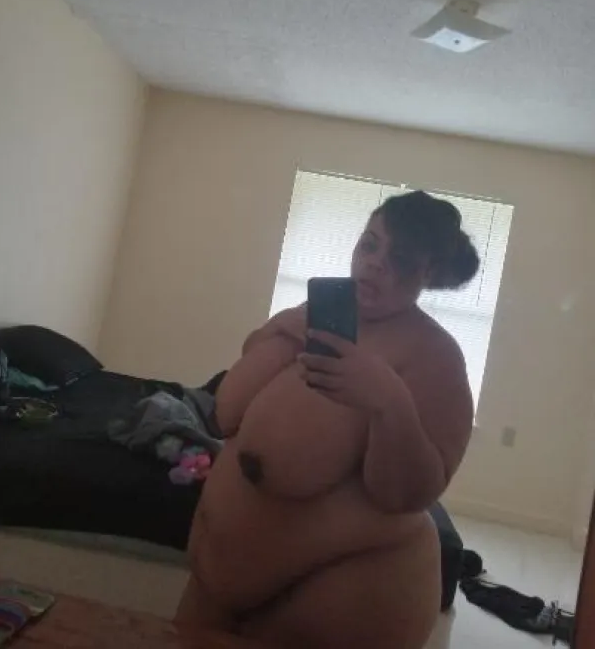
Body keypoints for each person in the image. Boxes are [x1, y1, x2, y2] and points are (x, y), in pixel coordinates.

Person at [176, 190, 478, 649]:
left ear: (429, 271)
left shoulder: (436, 356)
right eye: (369, 244)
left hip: (329, 592)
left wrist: (389, 402)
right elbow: (228, 410)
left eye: (399, 257)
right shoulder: (314, 317)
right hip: (216, 591)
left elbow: (411, 492)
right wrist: (279, 330)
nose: (374, 263)